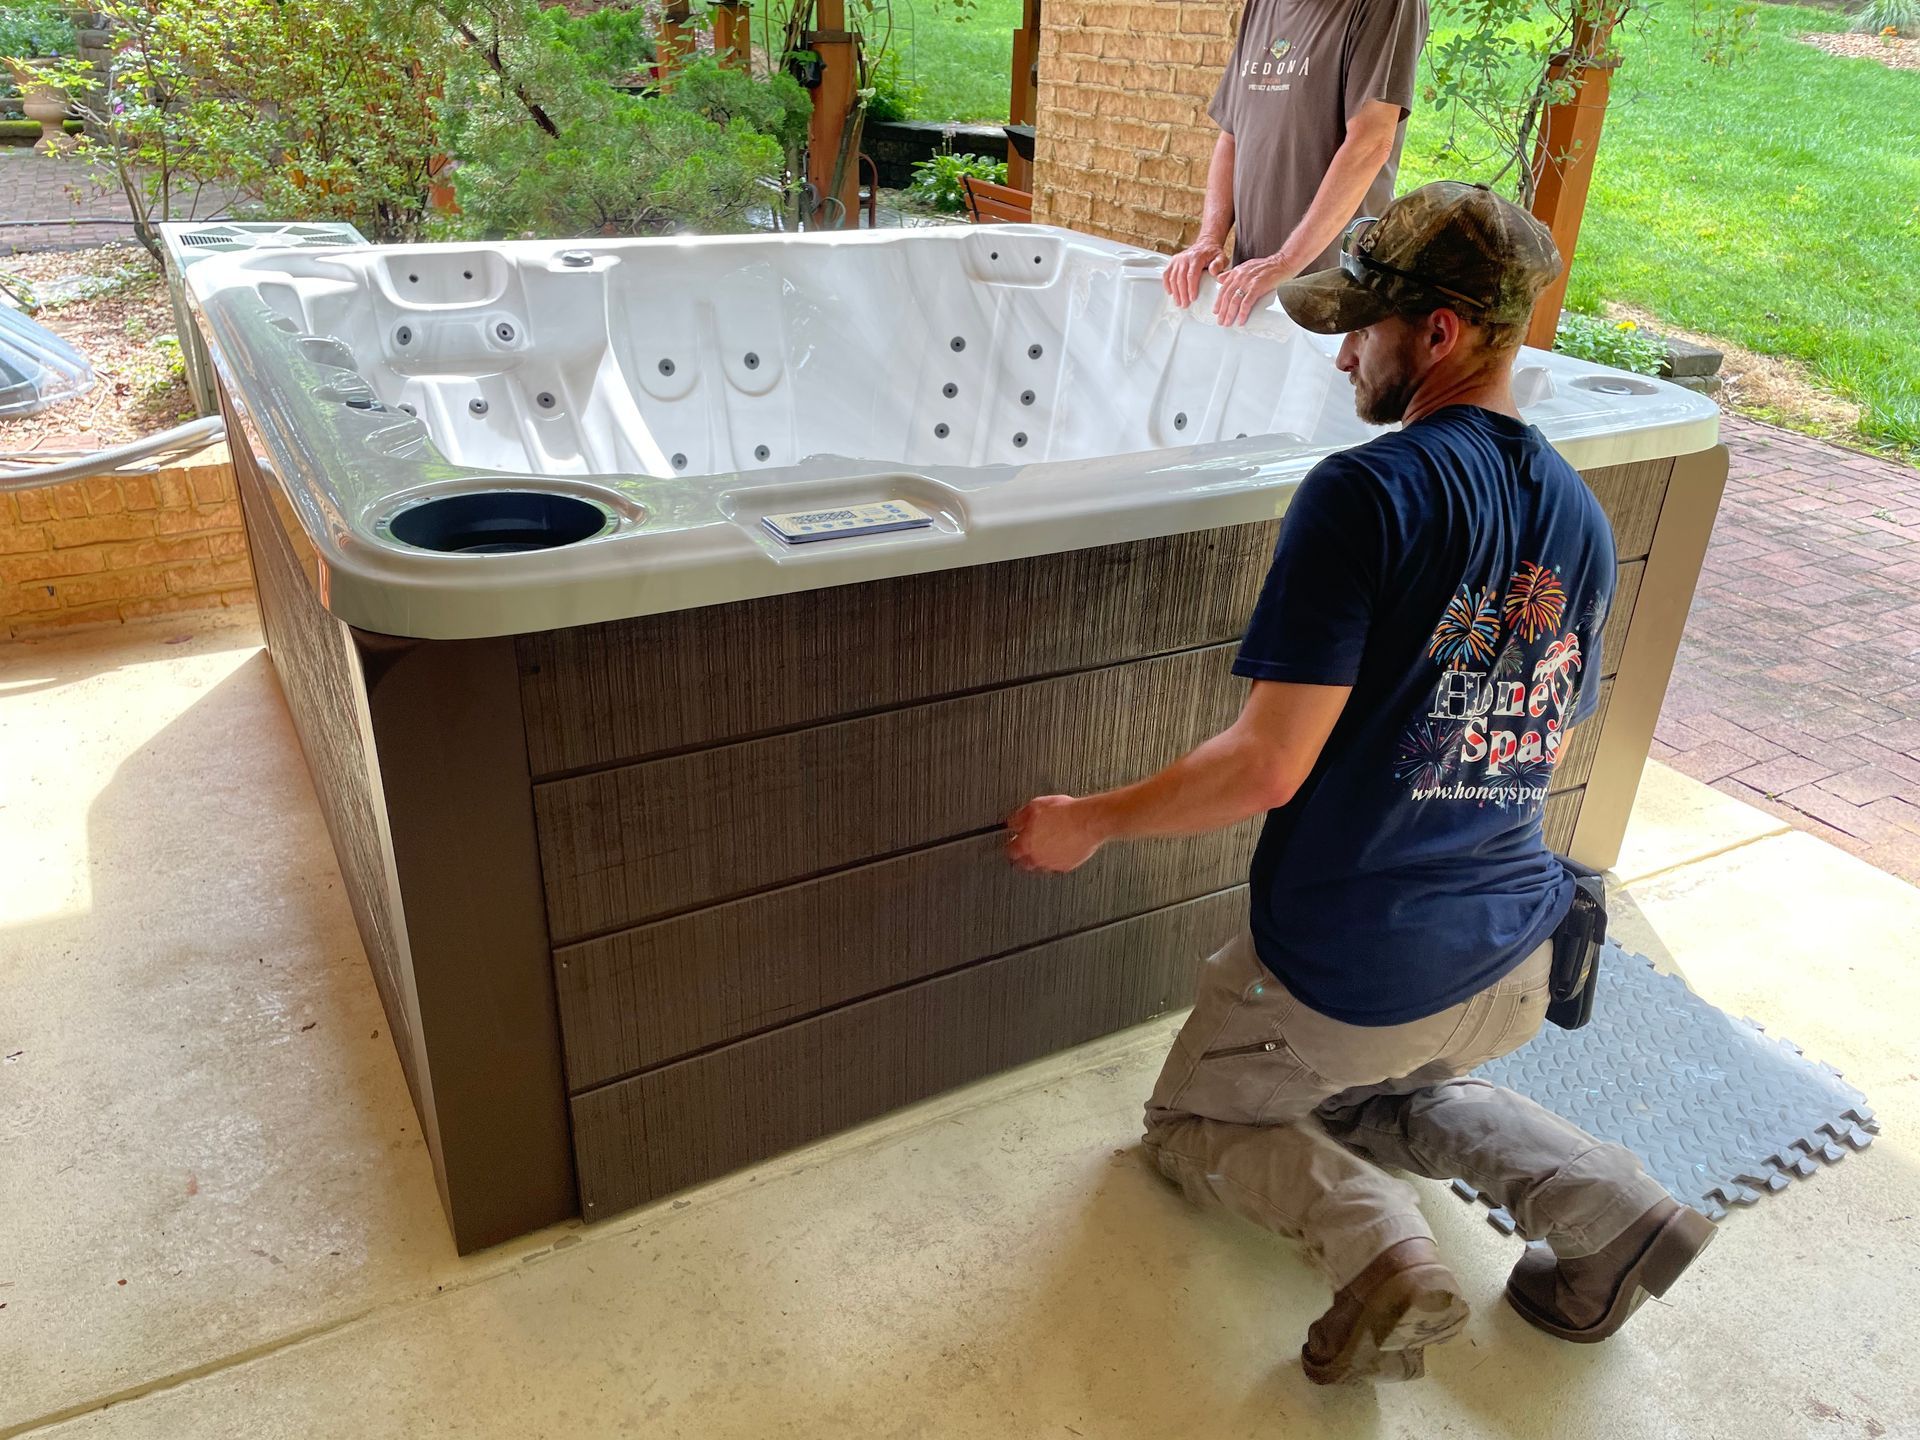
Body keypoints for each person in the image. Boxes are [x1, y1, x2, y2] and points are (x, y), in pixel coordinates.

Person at [1008, 181, 1715, 1385]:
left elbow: (1265, 764)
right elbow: (1539, 719)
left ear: (1439, 333)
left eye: (1363, 325)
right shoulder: (1581, 519)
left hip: (1353, 971)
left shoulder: (1366, 493)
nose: (1343, 354)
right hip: (1510, 960)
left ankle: (1382, 1252)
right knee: (1372, 1099)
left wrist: (1091, 821)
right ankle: (1608, 1204)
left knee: (1190, 1121)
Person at [1164, 0, 1429, 328]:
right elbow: (1231, 136)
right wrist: (1209, 239)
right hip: (1250, 282)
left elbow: (1371, 143)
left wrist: (1286, 261)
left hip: (1328, 292)